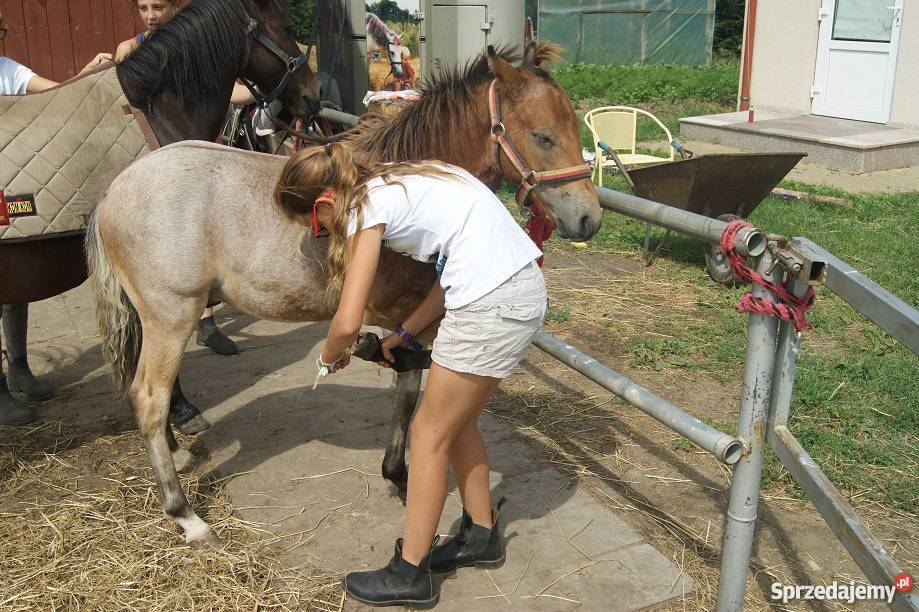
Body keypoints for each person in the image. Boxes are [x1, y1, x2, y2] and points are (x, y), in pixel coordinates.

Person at [274, 143, 547, 607]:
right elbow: (454, 266)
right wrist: (404, 333)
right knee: (455, 425)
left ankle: (410, 572)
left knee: (427, 434)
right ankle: (482, 534)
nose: (323, 234)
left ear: (324, 203)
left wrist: (329, 357)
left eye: (316, 228)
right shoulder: (409, 178)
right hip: (514, 290)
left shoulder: (366, 207)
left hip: (490, 304)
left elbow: (345, 322)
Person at [0, 11, 111, 426]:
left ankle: (21, 367)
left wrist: (85, 76)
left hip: (9, 183)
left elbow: (54, 95)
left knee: (14, 273)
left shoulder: (7, 70)